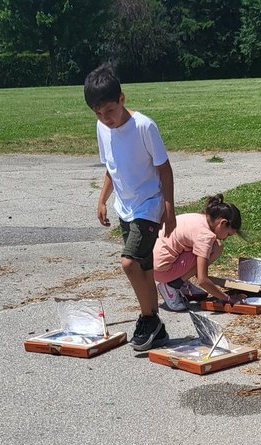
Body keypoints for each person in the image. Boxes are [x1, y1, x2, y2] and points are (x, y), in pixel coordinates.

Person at [84, 65, 176, 352]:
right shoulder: (102, 127)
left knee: (129, 262)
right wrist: (101, 199)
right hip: (124, 206)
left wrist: (169, 209)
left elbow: (165, 169)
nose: (105, 119)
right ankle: (156, 326)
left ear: (122, 99)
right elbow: (111, 168)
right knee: (144, 267)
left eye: (109, 111)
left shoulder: (144, 126)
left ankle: (147, 317)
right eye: (98, 114)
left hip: (148, 205)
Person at [153, 195, 243, 312]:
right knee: (216, 248)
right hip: (162, 271)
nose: (226, 238)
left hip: (152, 264)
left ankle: (181, 282)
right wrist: (227, 298)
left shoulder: (200, 218)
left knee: (212, 247)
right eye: (228, 234)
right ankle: (172, 285)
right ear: (222, 223)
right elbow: (202, 280)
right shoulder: (205, 236)